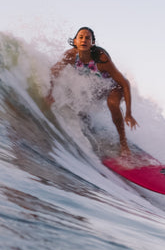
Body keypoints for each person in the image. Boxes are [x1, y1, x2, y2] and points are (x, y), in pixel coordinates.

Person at [46, 26, 138, 156]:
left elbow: (125, 83)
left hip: (113, 86)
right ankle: (85, 120)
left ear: (92, 42)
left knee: (112, 103)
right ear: (75, 41)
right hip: (97, 87)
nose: (84, 40)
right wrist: (49, 93)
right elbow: (54, 72)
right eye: (81, 37)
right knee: (78, 95)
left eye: (87, 38)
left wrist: (128, 113)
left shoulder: (101, 58)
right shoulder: (70, 55)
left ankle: (124, 144)